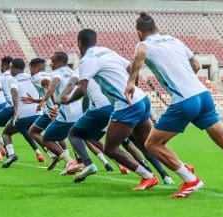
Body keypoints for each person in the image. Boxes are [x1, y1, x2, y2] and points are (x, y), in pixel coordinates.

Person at [127, 12, 223, 198]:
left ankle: (190, 179)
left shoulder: (144, 44)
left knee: (151, 144)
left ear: (139, 33)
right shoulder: (174, 41)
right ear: (157, 29)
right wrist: (185, 77)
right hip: (202, 95)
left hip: (184, 100)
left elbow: (141, 53)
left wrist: (130, 82)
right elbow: (197, 65)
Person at [68, 28, 159, 190]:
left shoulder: (87, 59)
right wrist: (133, 87)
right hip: (141, 99)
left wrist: (66, 100)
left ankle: (148, 176)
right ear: (95, 40)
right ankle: (183, 170)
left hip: (125, 105)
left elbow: (82, 89)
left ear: (79, 43)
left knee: (110, 148)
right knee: (149, 144)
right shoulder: (107, 51)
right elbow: (131, 67)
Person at [0, 58, 43, 168]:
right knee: (35, 133)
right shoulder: (31, 76)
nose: (10, 70)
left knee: (6, 133)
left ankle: (11, 154)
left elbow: (14, 92)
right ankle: (53, 154)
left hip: (24, 114)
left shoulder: (13, 79)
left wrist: (15, 109)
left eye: (11, 68)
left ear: (16, 68)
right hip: (38, 112)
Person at [27, 58, 66, 170]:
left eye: (30, 68)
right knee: (33, 131)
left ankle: (67, 160)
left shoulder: (36, 77)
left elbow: (48, 86)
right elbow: (48, 91)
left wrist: (54, 105)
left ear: (36, 68)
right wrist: (35, 101)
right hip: (48, 110)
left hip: (53, 110)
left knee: (57, 135)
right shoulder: (49, 74)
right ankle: (54, 156)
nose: (30, 70)